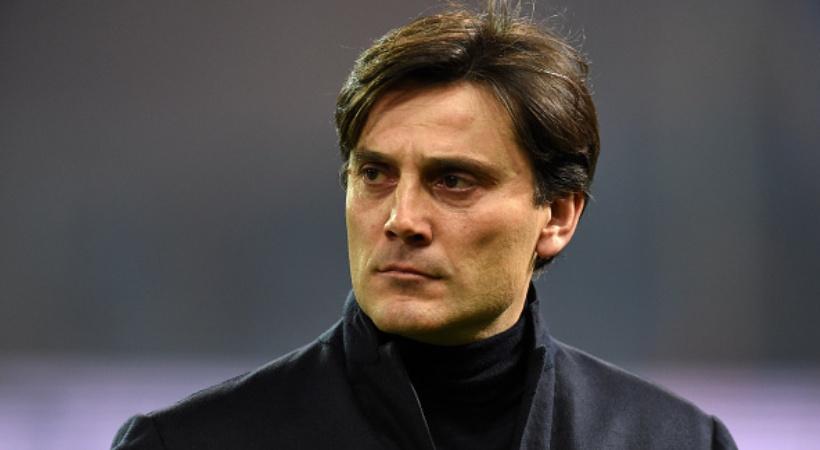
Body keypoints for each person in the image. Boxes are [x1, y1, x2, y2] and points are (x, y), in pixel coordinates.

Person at [112, 2, 737, 449]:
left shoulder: (676, 441)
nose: (401, 220)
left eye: (453, 181)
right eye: (375, 174)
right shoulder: (188, 442)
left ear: (557, 216)